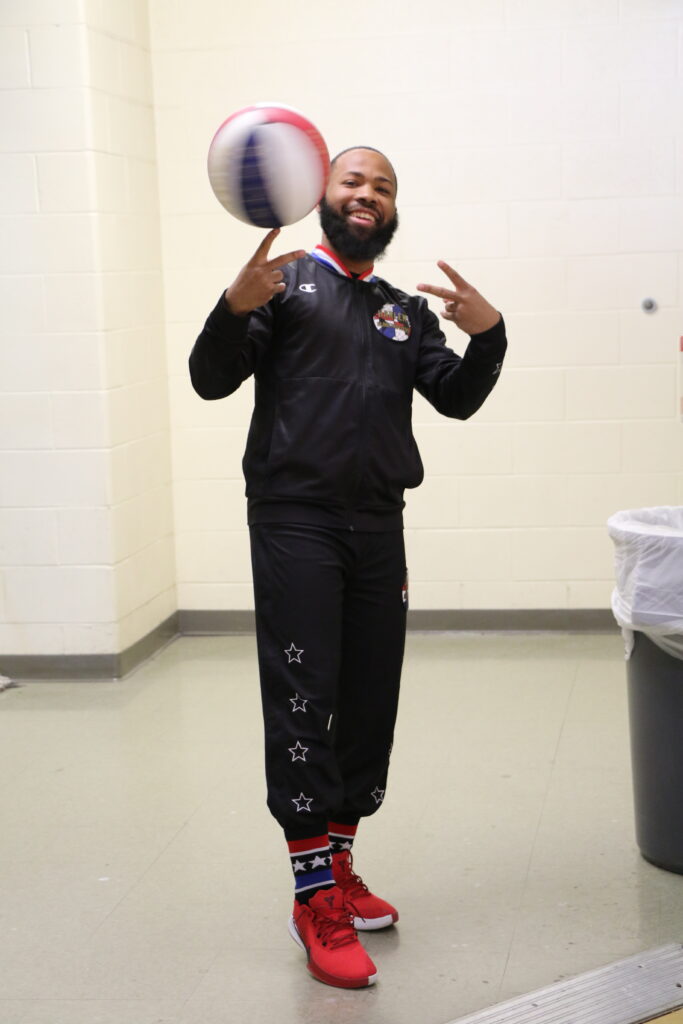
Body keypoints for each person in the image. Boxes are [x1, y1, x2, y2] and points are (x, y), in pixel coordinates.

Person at [189, 146, 507, 989]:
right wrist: (230, 309)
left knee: (369, 700)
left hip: (378, 526)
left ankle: (340, 862)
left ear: (392, 210)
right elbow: (208, 380)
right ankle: (311, 899)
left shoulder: (404, 311)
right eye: (352, 181)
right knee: (305, 698)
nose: (367, 194)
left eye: (383, 186)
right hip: (295, 523)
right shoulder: (284, 285)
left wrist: (490, 335)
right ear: (319, 196)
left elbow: (459, 396)